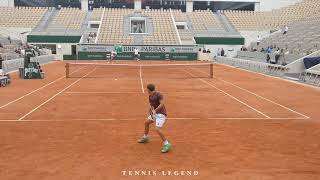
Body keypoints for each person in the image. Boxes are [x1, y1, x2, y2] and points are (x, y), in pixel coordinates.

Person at [138, 84, 172, 153]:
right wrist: (150, 112)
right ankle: (145, 137)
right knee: (146, 122)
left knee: (157, 129)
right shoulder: (150, 96)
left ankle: (167, 144)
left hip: (161, 114)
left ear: (149, 89)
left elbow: (162, 104)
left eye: (147, 89)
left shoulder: (158, 94)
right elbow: (151, 105)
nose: (147, 90)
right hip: (155, 114)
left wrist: (155, 111)